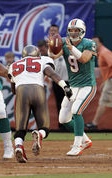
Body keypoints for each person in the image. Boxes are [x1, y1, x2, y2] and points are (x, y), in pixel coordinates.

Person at [8, 45, 72, 163]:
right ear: (37, 54)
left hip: (21, 92)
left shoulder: (13, 65)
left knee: (20, 129)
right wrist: (65, 86)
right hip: (38, 90)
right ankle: (39, 134)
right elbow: (52, 74)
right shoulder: (43, 60)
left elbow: (13, 90)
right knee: (45, 127)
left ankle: (18, 146)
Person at [48, 18, 97, 156]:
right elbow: (53, 56)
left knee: (76, 110)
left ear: (82, 31)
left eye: (76, 31)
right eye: (71, 31)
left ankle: (77, 145)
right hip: (73, 85)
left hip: (88, 85)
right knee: (63, 119)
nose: (74, 33)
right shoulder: (64, 42)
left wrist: (72, 48)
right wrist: (51, 47)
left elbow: (84, 59)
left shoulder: (89, 43)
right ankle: (86, 141)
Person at [85, 36, 112, 130]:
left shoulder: (104, 52)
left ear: (101, 43)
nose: (94, 44)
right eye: (92, 42)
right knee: (103, 101)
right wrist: (105, 82)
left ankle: (94, 123)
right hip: (109, 80)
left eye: (96, 42)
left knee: (103, 101)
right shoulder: (100, 53)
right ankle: (94, 123)